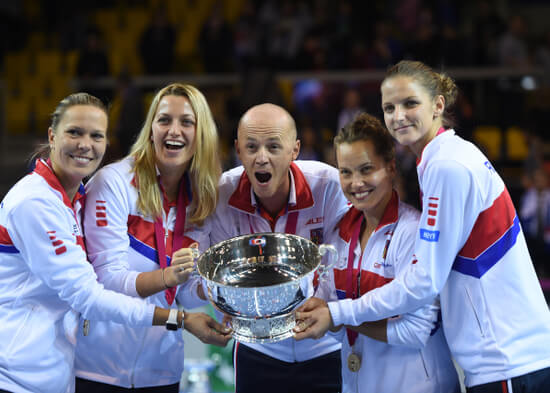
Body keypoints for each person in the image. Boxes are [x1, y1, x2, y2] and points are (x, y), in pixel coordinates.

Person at [294, 60, 550, 392]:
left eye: (410, 103)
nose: (398, 115)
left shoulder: (446, 166)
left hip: (506, 359)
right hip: (505, 358)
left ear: (438, 105)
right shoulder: (438, 161)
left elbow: (423, 282)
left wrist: (338, 312)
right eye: (389, 107)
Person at [0, 93, 230, 393]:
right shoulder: (37, 202)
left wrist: (221, 286)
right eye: (74, 132)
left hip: (52, 375)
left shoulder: (71, 203)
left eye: (96, 135)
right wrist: (178, 315)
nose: (85, 144)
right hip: (4, 372)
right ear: (52, 136)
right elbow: (91, 293)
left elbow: (188, 293)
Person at [74, 83, 228, 392]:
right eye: (164, 120)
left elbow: (184, 293)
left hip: (161, 372)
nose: (174, 130)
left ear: (202, 135)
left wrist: (217, 286)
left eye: (186, 121)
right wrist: (169, 276)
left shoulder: (202, 199)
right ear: (151, 129)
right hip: (98, 369)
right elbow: (108, 281)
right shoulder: (114, 183)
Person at [311, 113, 459, 393]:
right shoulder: (339, 234)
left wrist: (337, 315)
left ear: (391, 168)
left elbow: (416, 331)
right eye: (346, 172)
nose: (356, 183)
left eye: (367, 169)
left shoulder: (414, 231)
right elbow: (327, 305)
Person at [210, 103, 350, 393]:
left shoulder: (329, 186)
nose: (261, 158)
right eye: (251, 147)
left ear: (294, 150)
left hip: (325, 348)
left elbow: (343, 262)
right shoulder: (222, 194)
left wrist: (322, 306)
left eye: (274, 146)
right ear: (238, 150)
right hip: (259, 351)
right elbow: (214, 272)